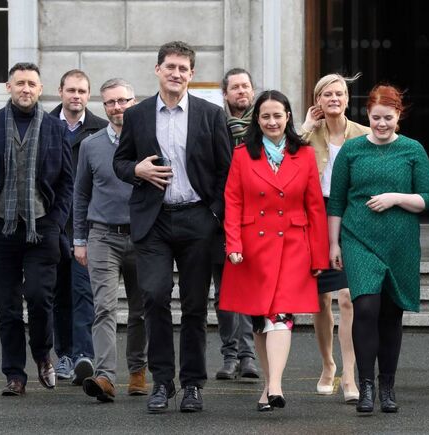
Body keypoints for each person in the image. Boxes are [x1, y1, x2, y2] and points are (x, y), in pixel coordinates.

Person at [113, 41, 232, 413]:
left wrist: (214, 213)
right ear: (158, 70)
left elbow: (226, 170)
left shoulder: (211, 115)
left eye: (183, 68)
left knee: (195, 306)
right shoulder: (137, 115)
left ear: (191, 75)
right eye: (170, 67)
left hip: (198, 220)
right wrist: (136, 170)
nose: (176, 73)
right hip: (154, 221)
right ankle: (162, 382)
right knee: (154, 297)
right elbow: (120, 161)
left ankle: (193, 384)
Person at [0, 62, 73, 396]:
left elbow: (67, 180)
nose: (26, 89)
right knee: (7, 307)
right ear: (8, 87)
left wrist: (56, 220)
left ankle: (42, 354)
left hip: (42, 229)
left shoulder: (55, 128)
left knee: (39, 297)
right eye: (20, 83)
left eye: (32, 84)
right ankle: (14, 374)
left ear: (40, 90)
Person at [327, 84, 429, 413]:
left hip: (400, 242)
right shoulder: (352, 150)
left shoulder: (413, 150)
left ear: (398, 116)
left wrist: (395, 198)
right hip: (359, 238)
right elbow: (337, 200)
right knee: (366, 308)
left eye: (388, 118)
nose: (381, 124)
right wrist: (334, 242)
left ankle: (387, 385)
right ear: (368, 116)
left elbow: (428, 198)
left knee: (391, 313)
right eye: (376, 118)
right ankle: (366, 386)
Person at [219, 90, 329, 412]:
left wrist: (319, 255)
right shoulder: (242, 154)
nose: (271, 122)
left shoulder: (305, 154)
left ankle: (276, 385)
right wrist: (234, 245)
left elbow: (314, 208)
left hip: (294, 244)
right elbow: (233, 201)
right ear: (257, 119)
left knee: (280, 315)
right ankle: (268, 385)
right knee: (259, 320)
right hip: (253, 246)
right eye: (265, 116)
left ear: (288, 117)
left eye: (277, 115)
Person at [73, 78, 148, 402]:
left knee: (141, 310)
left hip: (144, 236)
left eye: (124, 100)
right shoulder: (91, 146)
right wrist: (79, 239)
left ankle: (137, 372)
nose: (118, 107)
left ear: (135, 102)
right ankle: (104, 376)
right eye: (111, 103)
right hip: (102, 235)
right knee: (103, 307)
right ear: (103, 107)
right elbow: (81, 194)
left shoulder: (150, 141)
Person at [300, 73, 370, 402]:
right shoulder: (308, 135)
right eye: (327, 94)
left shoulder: (364, 134)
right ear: (318, 100)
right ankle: (328, 364)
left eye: (339, 93)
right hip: (315, 217)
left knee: (347, 297)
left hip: (351, 217)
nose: (334, 99)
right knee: (320, 300)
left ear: (347, 97)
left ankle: (350, 374)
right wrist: (305, 126)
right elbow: (282, 160)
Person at [50, 69, 108, 385]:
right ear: (60, 91)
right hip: (54, 225)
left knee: (84, 291)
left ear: (89, 95)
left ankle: (85, 354)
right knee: (58, 294)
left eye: (82, 91)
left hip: (86, 225)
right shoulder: (45, 126)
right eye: (71, 90)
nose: (76, 96)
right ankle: (65, 356)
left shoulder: (99, 129)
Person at [213, 68, 258, 381]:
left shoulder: (265, 124)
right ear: (225, 94)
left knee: (250, 289)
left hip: (256, 219)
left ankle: (249, 355)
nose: (242, 91)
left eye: (246, 86)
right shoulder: (214, 123)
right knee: (224, 291)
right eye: (235, 87)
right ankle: (229, 355)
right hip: (218, 218)